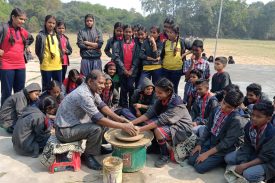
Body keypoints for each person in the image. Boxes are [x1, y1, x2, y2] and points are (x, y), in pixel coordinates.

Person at [54, 70, 137, 170]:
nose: (103, 86)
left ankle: (96, 148)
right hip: (64, 131)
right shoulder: (83, 94)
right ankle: (88, 156)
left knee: (103, 121)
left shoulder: (91, 89)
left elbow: (102, 106)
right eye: (100, 83)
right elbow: (98, 119)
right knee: (96, 128)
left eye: (104, 83)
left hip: (73, 124)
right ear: (90, 81)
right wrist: (123, 126)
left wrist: (119, 119)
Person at [131, 78, 194, 168]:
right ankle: (156, 147)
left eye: (159, 93)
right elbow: (149, 114)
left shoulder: (177, 103)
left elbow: (160, 122)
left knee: (158, 130)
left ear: (168, 92)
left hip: (182, 128)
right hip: (170, 122)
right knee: (147, 122)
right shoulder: (161, 99)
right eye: (156, 92)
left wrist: (139, 129)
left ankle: (165, 155)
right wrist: (131, 123)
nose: (156, 95)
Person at [188, 90, 244, 174]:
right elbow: (208, 128)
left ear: (235, 108)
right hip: (211, 141)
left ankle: (220, 160)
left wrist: (207, 154)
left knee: (199, 167)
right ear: (223, 99)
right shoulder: (216, 109)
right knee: (191, 160)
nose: (224, 107)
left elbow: (226, 143)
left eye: (228, 107)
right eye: (224, 103)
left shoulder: (236, 120)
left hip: (222, 149)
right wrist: (199, 144)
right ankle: (211, 157)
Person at [224, 101, 275, 182]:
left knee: (248, 174)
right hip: (255, 153)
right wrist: (243, 161)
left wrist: (245, 165)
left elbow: (265, 157)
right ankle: (248, 167)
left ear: (268, 119)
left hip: (269, 161)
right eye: (253, 115)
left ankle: (266, 178)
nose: (254, 118)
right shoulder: (249, 126)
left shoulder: (271, 134)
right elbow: (247, 145)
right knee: (228, 158)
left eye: (259, 116)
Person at [0, 8, 34, 105]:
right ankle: (4, 116)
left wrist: (26, 46)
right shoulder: (3, 28)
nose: (22, 21)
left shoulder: (23, 31)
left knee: (20, 92)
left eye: (24, 20)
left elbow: (31, 39)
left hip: (20, 65)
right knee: (6, 92)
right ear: (13, 17)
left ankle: (19, 113)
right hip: (6, 65)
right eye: (20, 19)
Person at [113, 24, 140, 108]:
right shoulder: (117, 43)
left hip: (132, 71)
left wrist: (131, 69)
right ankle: (124, 107)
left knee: (131, 87)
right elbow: (116, 57)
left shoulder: (135, 44)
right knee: (123, 89)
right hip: (122, 70)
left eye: (130, 32)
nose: (128, 34)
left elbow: (137, 57)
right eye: (126, 32)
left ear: (132, 33)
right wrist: (124, 69)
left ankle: (132, 106)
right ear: (123, 32)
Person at [35, 15, 63, 91]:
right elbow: (37, 51)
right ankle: (46, 102)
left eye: (53, 23)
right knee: (46, 87)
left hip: (57, 65)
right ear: (45, 23)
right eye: (49, 22)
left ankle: (58, 102)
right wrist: (43, 58)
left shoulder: (57, 34)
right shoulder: (40, 35)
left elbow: (59, 48)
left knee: (58, 87)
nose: (51, 25)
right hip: (46, 65)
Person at [161, 25, 185, 94]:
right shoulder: (165, 42)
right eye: (168, 32)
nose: (168, 34)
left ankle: (174, 104)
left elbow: (193, 48)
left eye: (171, 32)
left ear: (176, 34)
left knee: (174, 88)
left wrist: (184, 54)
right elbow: (162, 55)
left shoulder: (181, 42)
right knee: (165, 88)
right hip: (165, 70)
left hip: (176, 71)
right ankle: (166, 104)